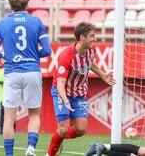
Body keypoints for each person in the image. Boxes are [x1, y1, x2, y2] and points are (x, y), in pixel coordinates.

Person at [0, 0, 52, 156]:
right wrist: (30, 54)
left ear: (10, 5)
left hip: (12, 72)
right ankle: (30, 148)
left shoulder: (2, 24)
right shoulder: (36, 22)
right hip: (32, 71)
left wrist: (5, 54)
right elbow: (47, 51)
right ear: (27, 3)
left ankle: (9, 155)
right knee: (34, 114)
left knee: (9, 118)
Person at [45, 22, 116, 156]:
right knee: (64, 129)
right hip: (62, 93)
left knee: (81, 129)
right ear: (82, 37)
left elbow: (90, 62)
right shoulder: (66, 56)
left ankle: (59, 137)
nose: (95, 39)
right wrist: (65, 100)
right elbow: (60, 84)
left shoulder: (91, 50)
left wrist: (102, 75)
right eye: (92, 36)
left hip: (79, 93)